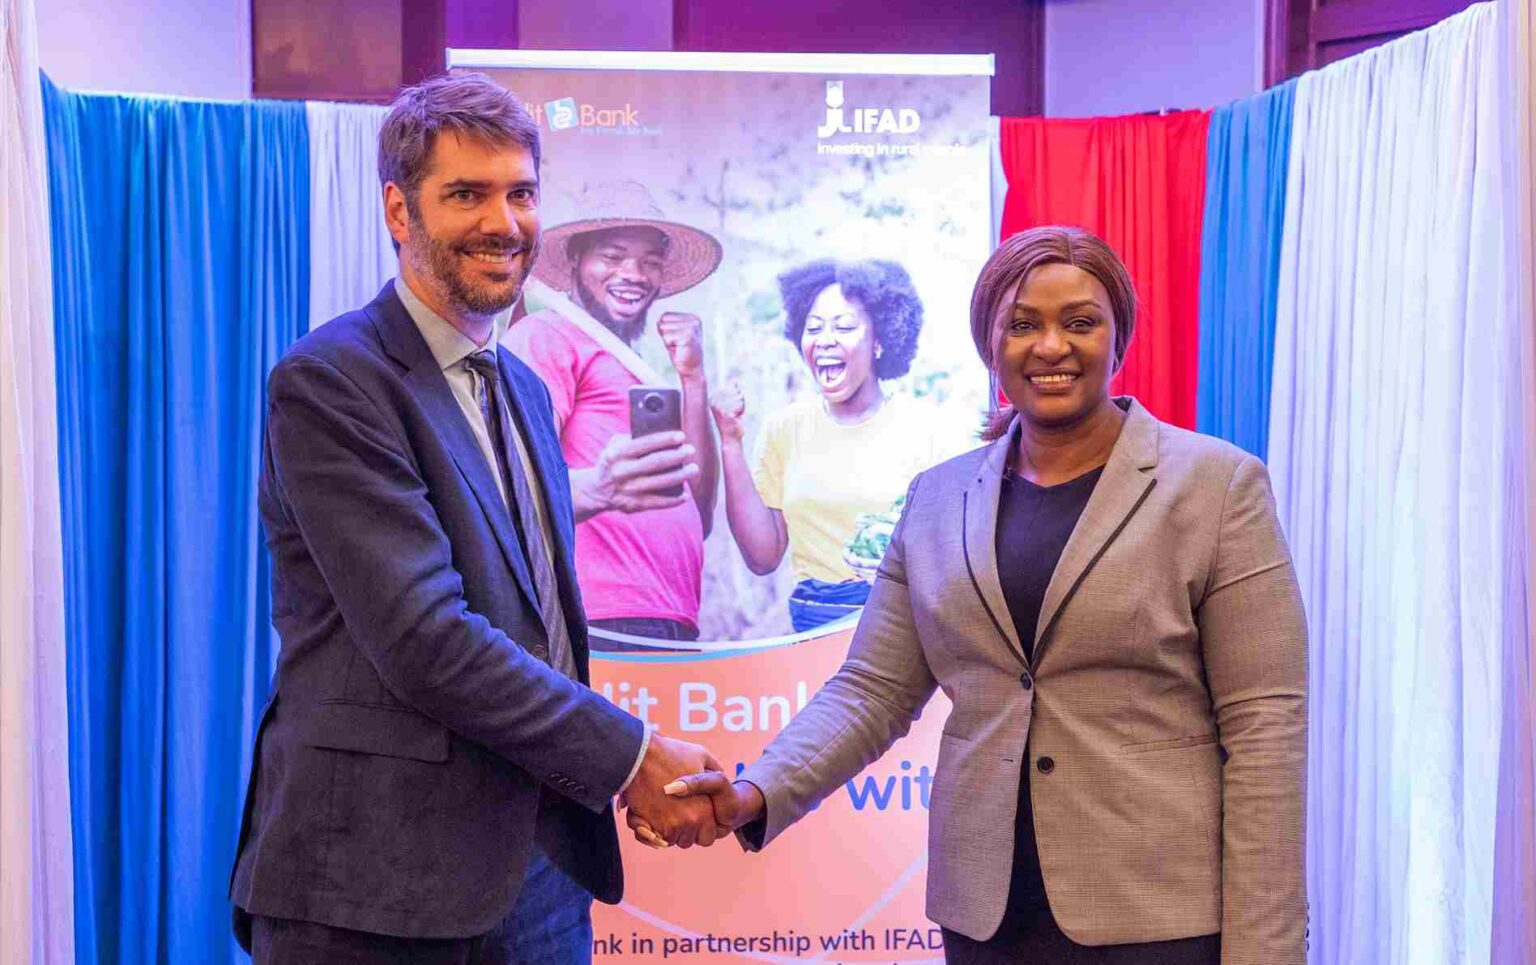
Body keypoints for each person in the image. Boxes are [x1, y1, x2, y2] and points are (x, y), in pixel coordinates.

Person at [659, 227, 1309, 963]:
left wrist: (1266, 948)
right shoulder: (938, 500)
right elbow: (872, 690)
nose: (1051, 345)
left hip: (1158, 917)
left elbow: (1265, 732)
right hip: (988, 921)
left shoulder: (1216, 487)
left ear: (1117, 334)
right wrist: (754, 791)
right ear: (989, 344)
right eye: (1023, 324)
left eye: (1080, 321)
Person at [228, 73, 721, 965]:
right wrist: (630, 755)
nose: (504, 222)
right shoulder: (333, 381)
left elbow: (533, 622)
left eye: (521, 193)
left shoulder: (525, 389)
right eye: (467, 193)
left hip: (539, 862)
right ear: (398, 209)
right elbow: (426, 637)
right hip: (374, 884)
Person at [505, 183, 721, 647]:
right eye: (613, 256)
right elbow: (511, 482)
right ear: (576, 262)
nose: (633, 274)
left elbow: (699, 514)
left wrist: (694, 379)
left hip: (667, 614)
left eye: (650, 262)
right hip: (598, 617)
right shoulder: (547, 335)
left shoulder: (638, 367)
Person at [710, 258, 953, 632]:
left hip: (899, 626)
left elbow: (949, 557)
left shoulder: (927, 429)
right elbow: (762, 557)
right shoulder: (784, 429)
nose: (825, 339)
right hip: (812, 624)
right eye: (814, 327)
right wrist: (729, 440)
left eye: (844, 326)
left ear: (879, 341)